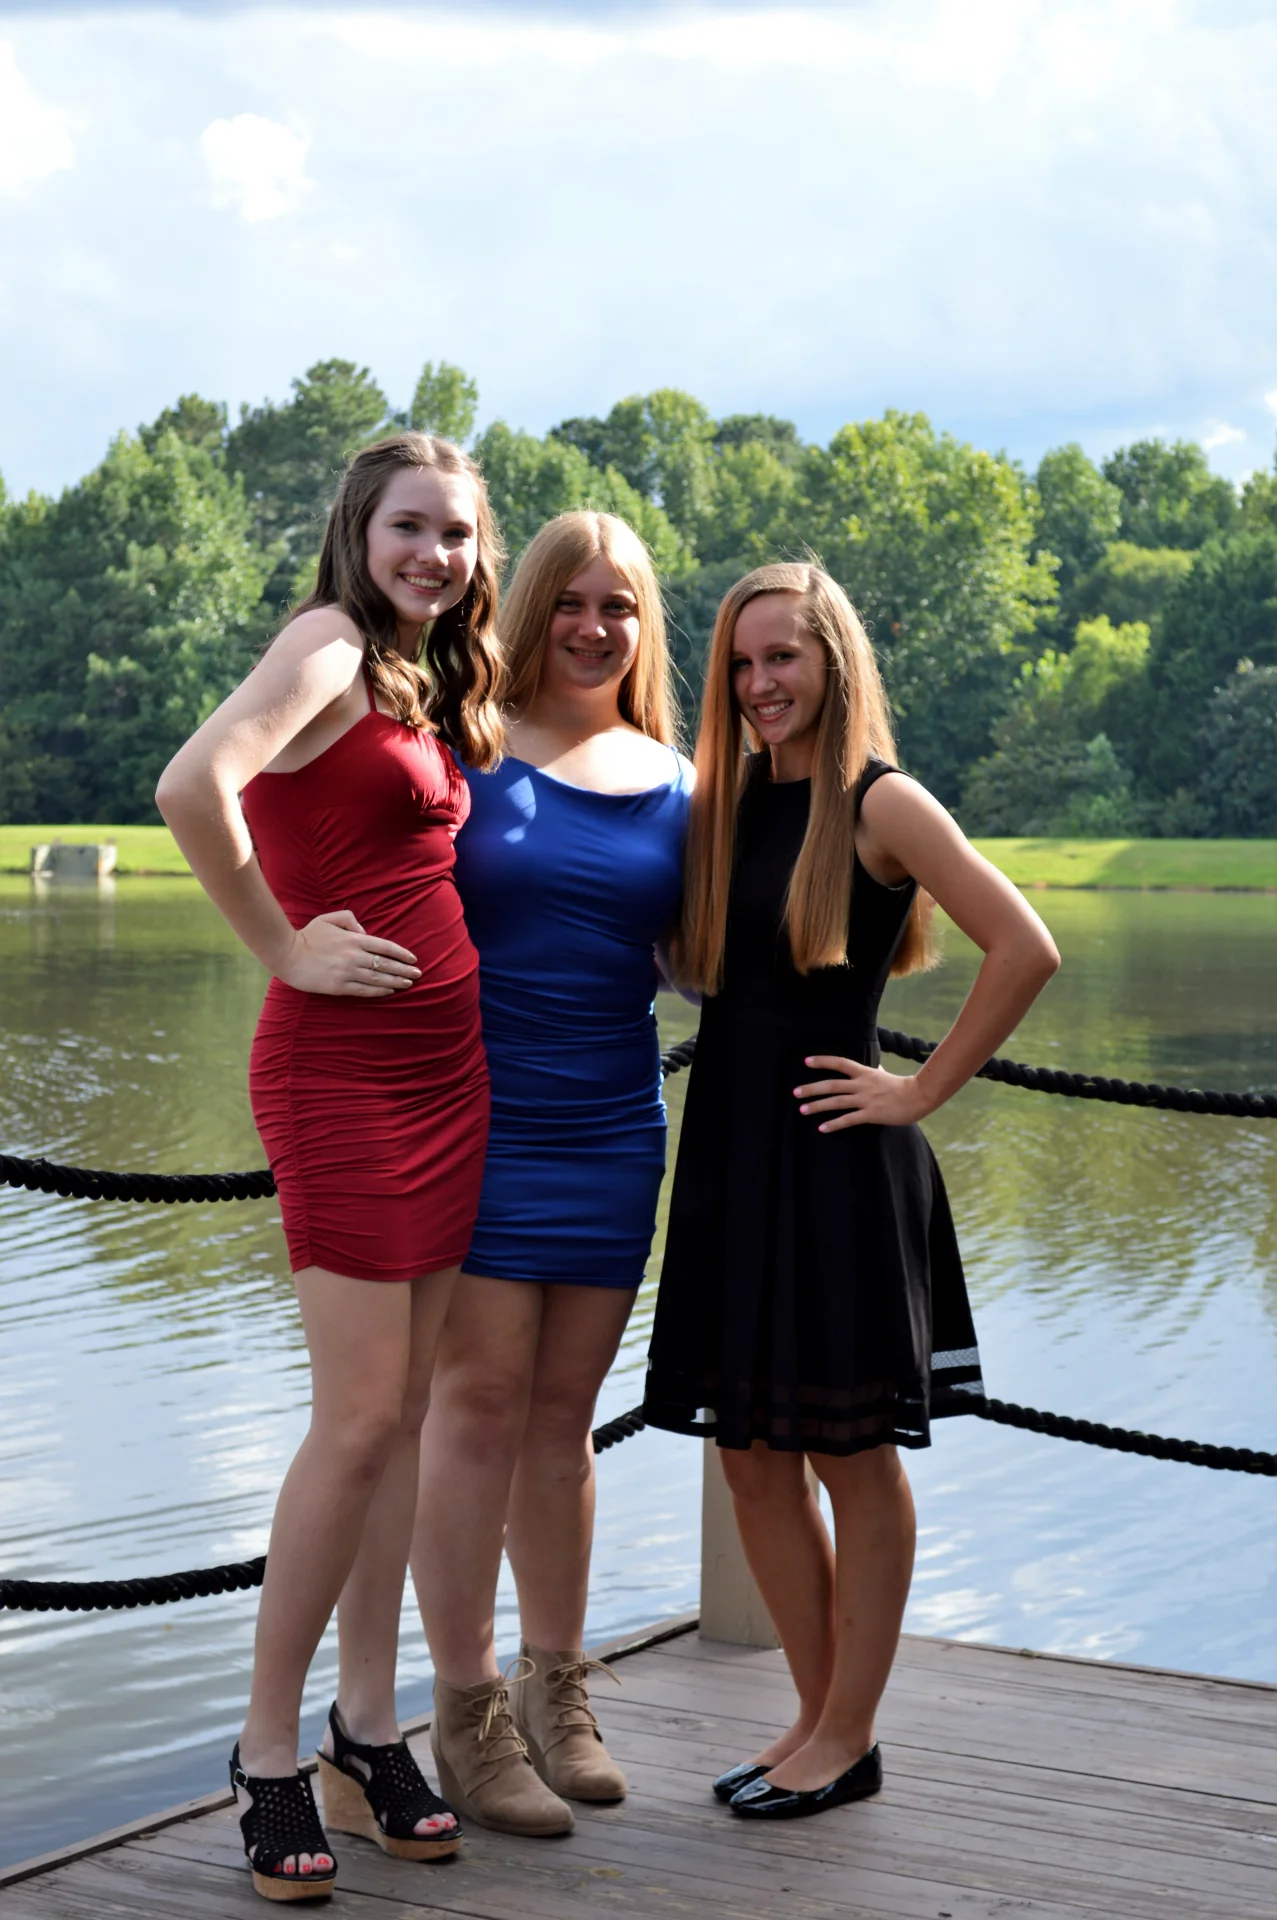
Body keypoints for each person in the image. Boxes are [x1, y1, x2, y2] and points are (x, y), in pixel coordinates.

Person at [643, 562, 1060, 1821]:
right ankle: (820, 1723)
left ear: (833, 662)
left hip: (835, 1161)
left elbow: (1024, 946)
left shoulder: (880, 801)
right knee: (749, 1460)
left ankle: (847, 1732)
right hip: (731, 1155)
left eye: (782, 657)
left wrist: (919, 1090)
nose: (759, 683)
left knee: (851, 1458)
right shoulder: (721, 804)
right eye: (740, 663)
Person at [156, 432, 504, 1900]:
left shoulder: (417, 678)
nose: (437, 554)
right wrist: (281, 947)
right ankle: (264, 1752)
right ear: (360, 531)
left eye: (459, 534)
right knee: (357, 1420)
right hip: (342, 1076)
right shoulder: (326, 647)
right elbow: (194, 785)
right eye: (411, 527)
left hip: (445, 1077)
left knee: (403, 1418)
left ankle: (369, 1732)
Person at [409, 510, 692, 1837]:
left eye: (617, 605)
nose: (593, 627)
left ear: (644, 624)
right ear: (529, 609)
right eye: (570, 602)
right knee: (473, 1405)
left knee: (564, 1417)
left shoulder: (684, 782)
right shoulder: (462, 742)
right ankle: (463, 1710)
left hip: (614, 1128)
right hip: (475, 1121)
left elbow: (704, 961)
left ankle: (554, 1691)